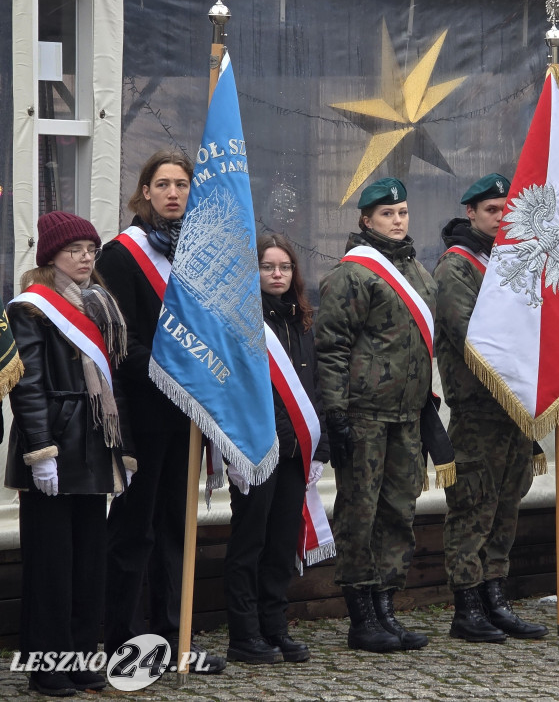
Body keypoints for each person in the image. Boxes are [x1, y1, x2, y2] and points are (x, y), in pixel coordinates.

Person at [99, 150, 226, 672]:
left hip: (188, 414)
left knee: (179, 525)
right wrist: (177, 373)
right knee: (136, 529)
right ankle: (122, 640)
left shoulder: (200, 255)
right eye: (163, 184)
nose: (174, 193)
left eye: (182, 184)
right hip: (143, 414)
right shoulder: (120, 255)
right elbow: (117, 344)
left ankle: (175, 637)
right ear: (144, 192)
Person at [5, 212, 131, 696]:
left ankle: (79, 655)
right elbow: (29, 386)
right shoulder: (31, 308)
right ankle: (46, 665)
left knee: (88, 560)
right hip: (56, 443)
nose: (85, 257)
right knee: (51, 564)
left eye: (90, 249)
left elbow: (112, 386)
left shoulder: (99, 303)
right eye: (74, 248)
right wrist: (41, 452)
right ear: (51, 255)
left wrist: (124, 451)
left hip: (94, 445)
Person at [316, 177, 436, 653]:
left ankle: (386, 609)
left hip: (407, 414)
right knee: (359, 515)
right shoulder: (353, 274)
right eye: (388, 214)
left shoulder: (415, 270)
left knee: (399, 512)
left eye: (403, 212)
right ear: (366, 220)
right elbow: (331, 350)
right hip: (364, 414)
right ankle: (361, 616)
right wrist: (336, 414)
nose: (398, 221)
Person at [436, 174, 547, 642]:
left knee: (507, 505)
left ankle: (494, 596)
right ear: (472, 214)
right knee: (473, 507)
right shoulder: (457, 266)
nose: (502, 219)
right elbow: (470, 336)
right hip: (479, 406)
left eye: (507, 210)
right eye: (492, 211)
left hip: (515, 407)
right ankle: (467, 605)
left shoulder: (514, 261)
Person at [223, 235, 329, 664]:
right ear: (255, 273)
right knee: (250, 542)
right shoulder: (240, 324)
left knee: (283, 543)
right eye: (268, 267)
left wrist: (320, 450)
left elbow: (316, 388)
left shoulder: (304, 321)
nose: (277, 274)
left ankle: (275, 627)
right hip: (255, 449)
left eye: (284, 267)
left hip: (296, 451)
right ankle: (244, 635)